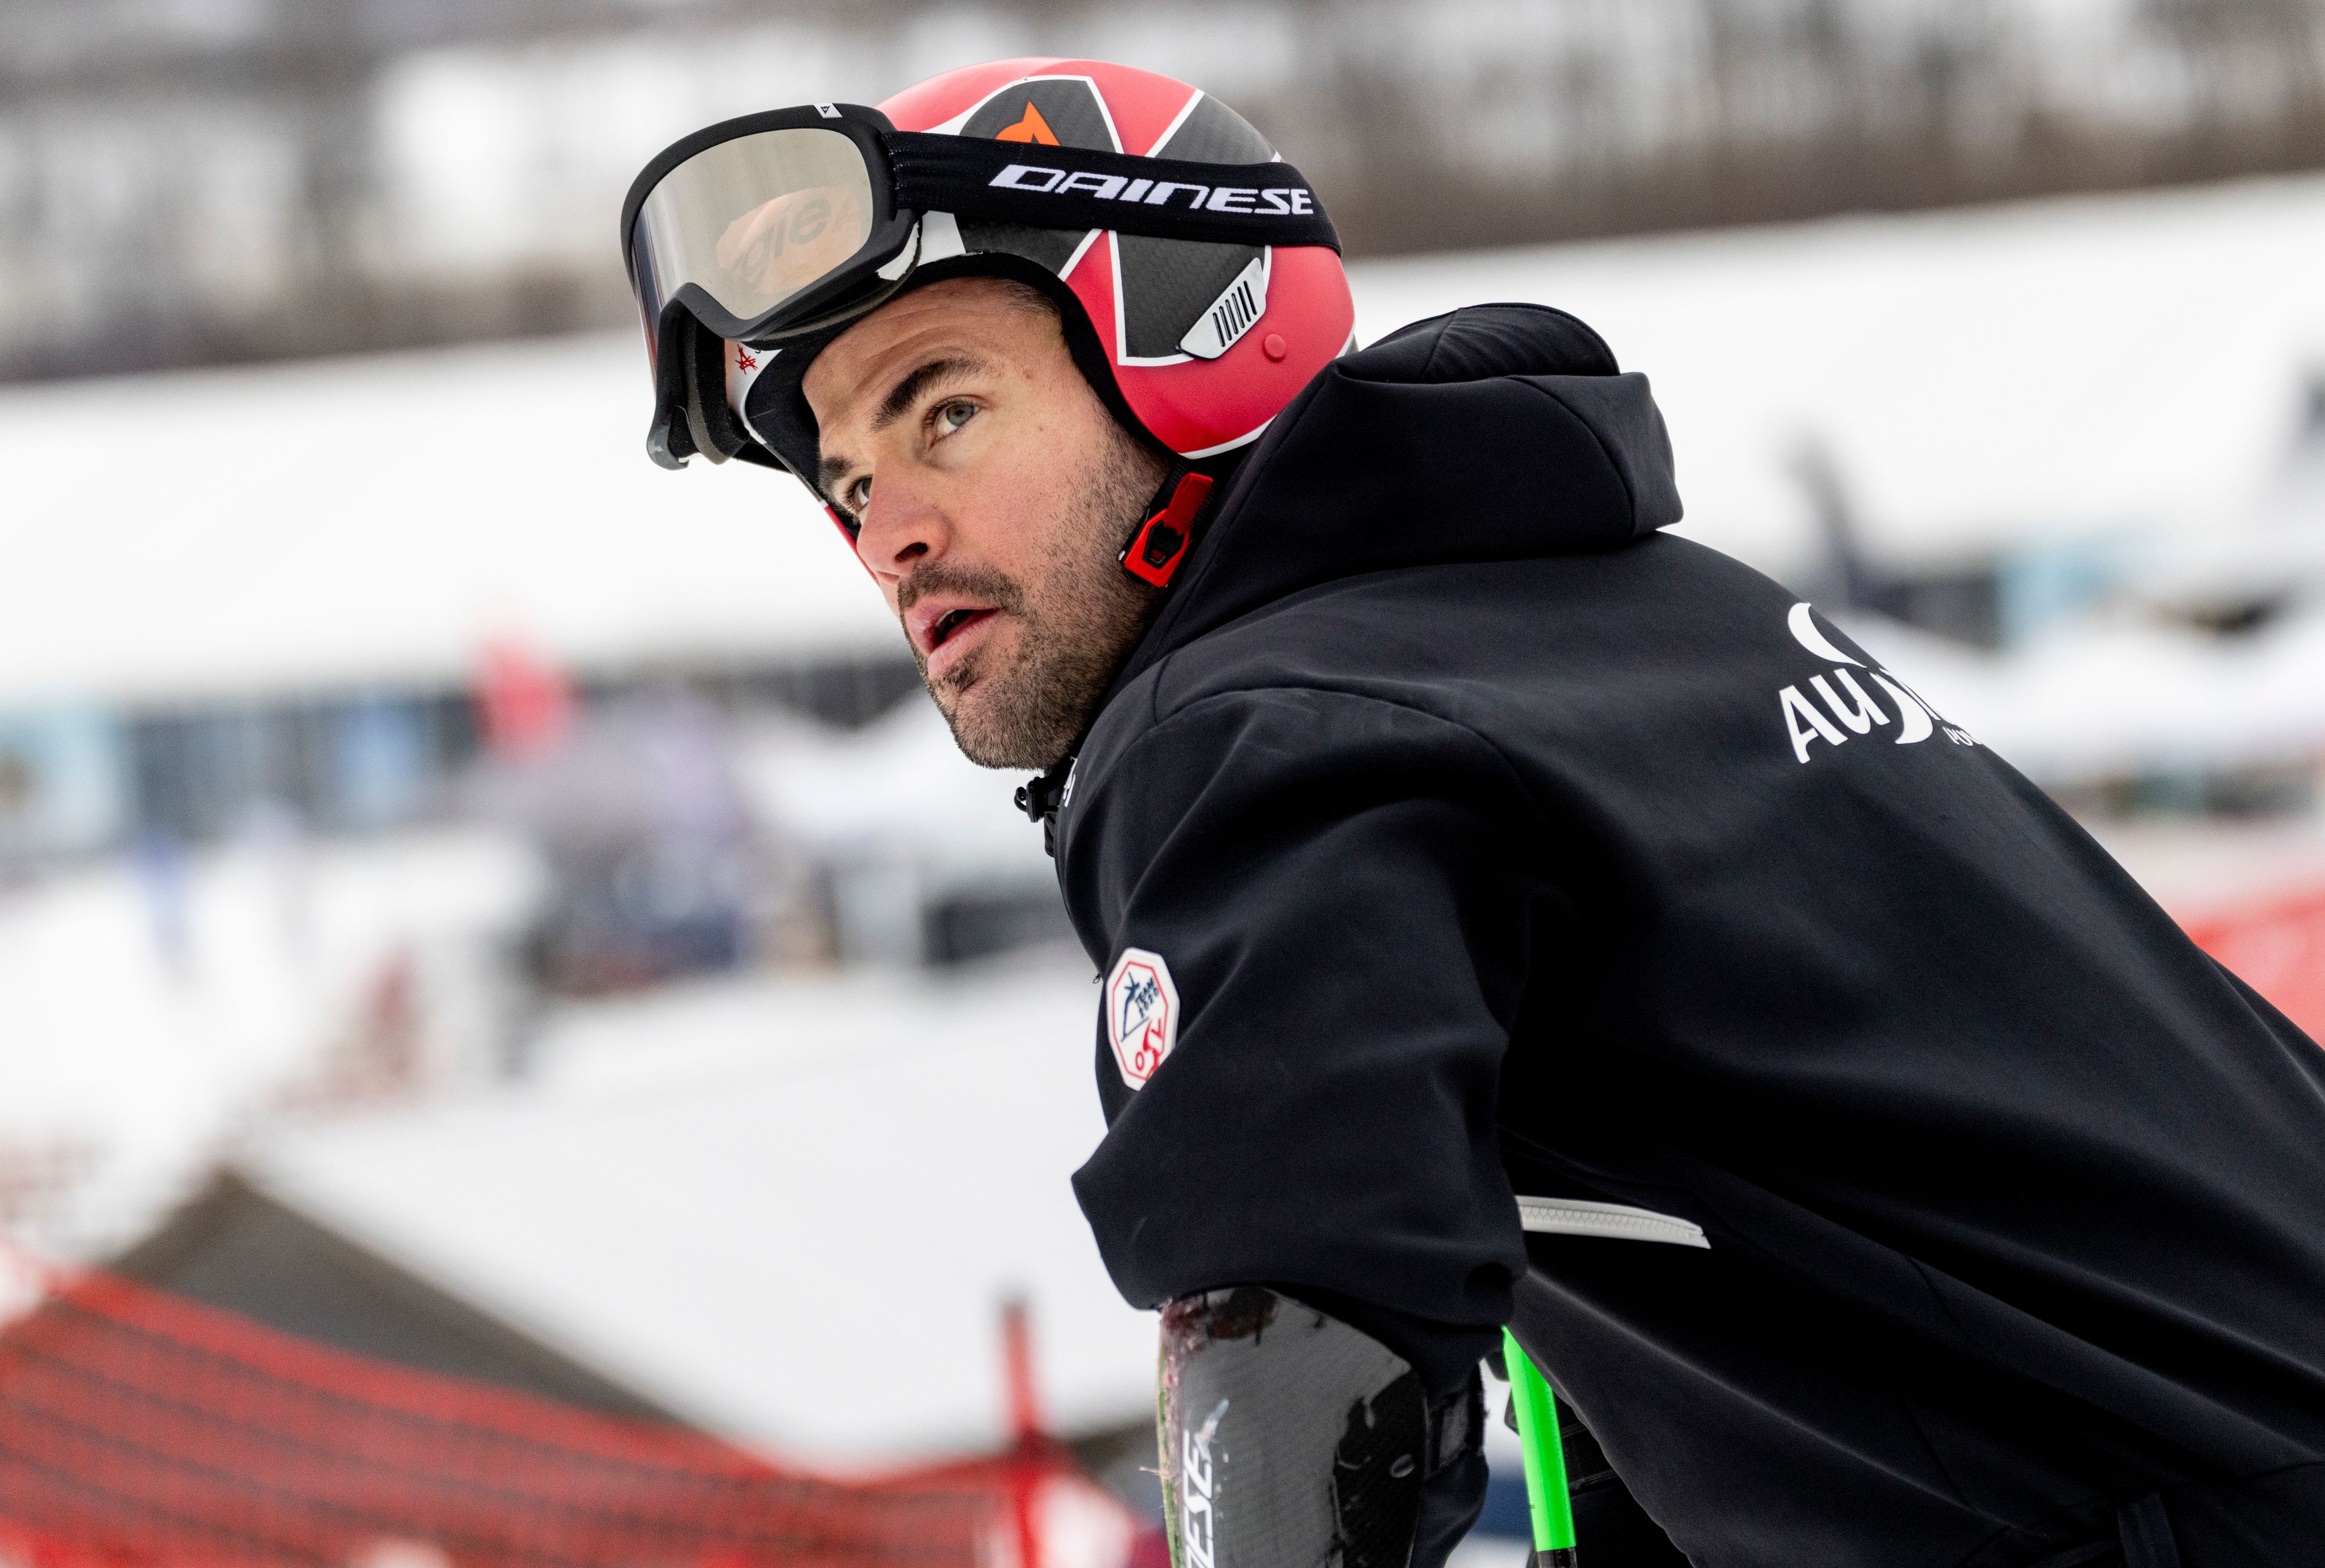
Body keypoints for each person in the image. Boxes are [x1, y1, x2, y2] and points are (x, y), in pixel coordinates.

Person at [620, 59, 2325, 1568]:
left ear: (1186, 341)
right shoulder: (1656, 620)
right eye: (848, 479)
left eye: (948, 410)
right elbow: (1751, 1211)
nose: (890, 532)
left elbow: (1302, 1338)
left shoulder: (1260, 731)